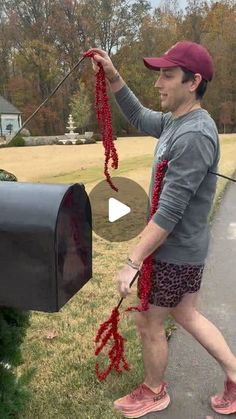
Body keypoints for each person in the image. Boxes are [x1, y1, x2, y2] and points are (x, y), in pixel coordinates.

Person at [90, 41, 236, 417]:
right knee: (187, 314)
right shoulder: (177, 122)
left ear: (193, 82)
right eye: (159, 74)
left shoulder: (193, 135)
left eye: (168, 76)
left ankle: (155, 391)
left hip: (175, 251)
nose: (158, 83)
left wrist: (132, 260)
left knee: (148, 320)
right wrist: (113, 74)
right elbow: (139, 117)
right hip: (188, 248)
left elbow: (169, 212)